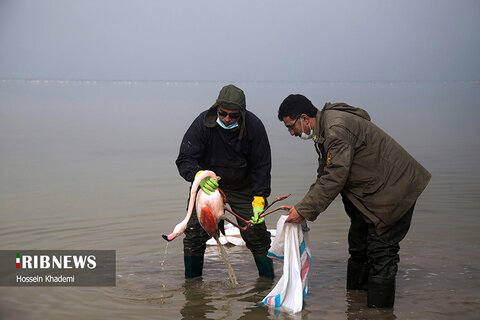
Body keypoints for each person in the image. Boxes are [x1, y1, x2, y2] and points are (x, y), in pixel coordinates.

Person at [277, 94, 431, 308]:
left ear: (304, 118)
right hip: (370, 195)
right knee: (359, 248)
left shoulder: (335, 130)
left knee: (381, 253)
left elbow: (335, 176)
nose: (291, 133)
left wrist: (304, 210)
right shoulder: (324, 130)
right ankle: (356, 306)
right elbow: (326, 175)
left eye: (290, 127)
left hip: (395, 191)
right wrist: (301, 207)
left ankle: (379, 312)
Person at [176, 84, 274, 279]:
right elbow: (185, 159)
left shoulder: (254, 127)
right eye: (223, 114)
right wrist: (198, 176)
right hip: (208, 187)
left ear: (242, 114)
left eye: (234, 116)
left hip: (243, 187)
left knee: (257, 235)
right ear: (216, 109)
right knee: (194, 235)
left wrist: (259, 197)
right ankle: (193, 289)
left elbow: (262, 166)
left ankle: (267, 283)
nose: (227, 119)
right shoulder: (202, 124)